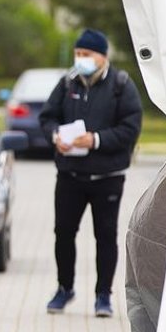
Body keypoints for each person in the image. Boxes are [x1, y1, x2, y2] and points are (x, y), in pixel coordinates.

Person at [38, 28, 143, 317]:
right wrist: (55, 135)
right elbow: (47, 117)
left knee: (106, 235)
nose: (80, 59)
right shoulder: (67, 82)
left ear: (102, 56)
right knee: (63, 233)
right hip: (70, 175)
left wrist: (96, 140)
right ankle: (64, 288)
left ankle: (103, 296)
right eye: (78, 54)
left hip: (107, 177)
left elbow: (130, 128)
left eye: (86, 54)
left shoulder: (121, 85)